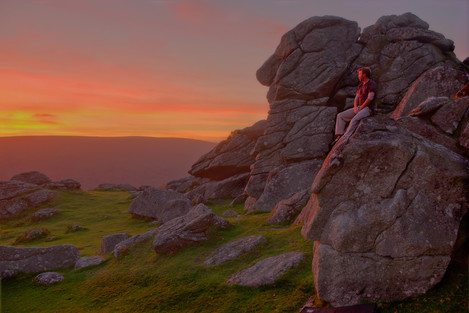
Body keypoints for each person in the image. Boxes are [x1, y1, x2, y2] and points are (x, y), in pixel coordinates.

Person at [332, 67, 377, 145]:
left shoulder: (371, 84)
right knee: (340, 116)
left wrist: (361, 107)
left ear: (364, 74)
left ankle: (345, 138)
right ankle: (340, 135)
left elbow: (370, 98)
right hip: (359, 108)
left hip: (368, 108)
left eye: (359, 74)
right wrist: (356, 107)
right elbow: (356, 98)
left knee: (354, 120)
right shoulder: (360, 86)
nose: (358, 76)